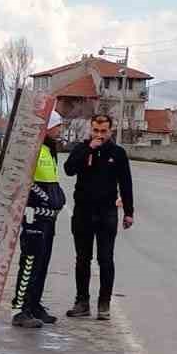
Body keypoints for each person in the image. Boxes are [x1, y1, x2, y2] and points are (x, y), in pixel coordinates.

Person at [63, 112, 134, 320]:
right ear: (90, 129)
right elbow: (68, 170)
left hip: (107, 213)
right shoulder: (81, 149)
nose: (99, 135)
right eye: (96, 130)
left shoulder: (118, 153)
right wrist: (88, 150)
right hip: (83, 212)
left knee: (106, 259)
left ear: (110, 131)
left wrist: (129, 212)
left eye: (103, 131)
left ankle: (104, 304)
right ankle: (82, 302)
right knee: (82, 259)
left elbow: (126, 184)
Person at [12, 111, 67, 329]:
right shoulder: (33, 150)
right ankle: (20, 308)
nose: (60, 129)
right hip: (35, 217)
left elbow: (50, 181)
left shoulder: (48, 150)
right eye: (58, 125)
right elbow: (25, 180)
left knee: (42, 262)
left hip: (48, 218)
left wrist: (57, 198)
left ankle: (34, 305)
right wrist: (44, 199)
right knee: (30, 261)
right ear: (47, 127)